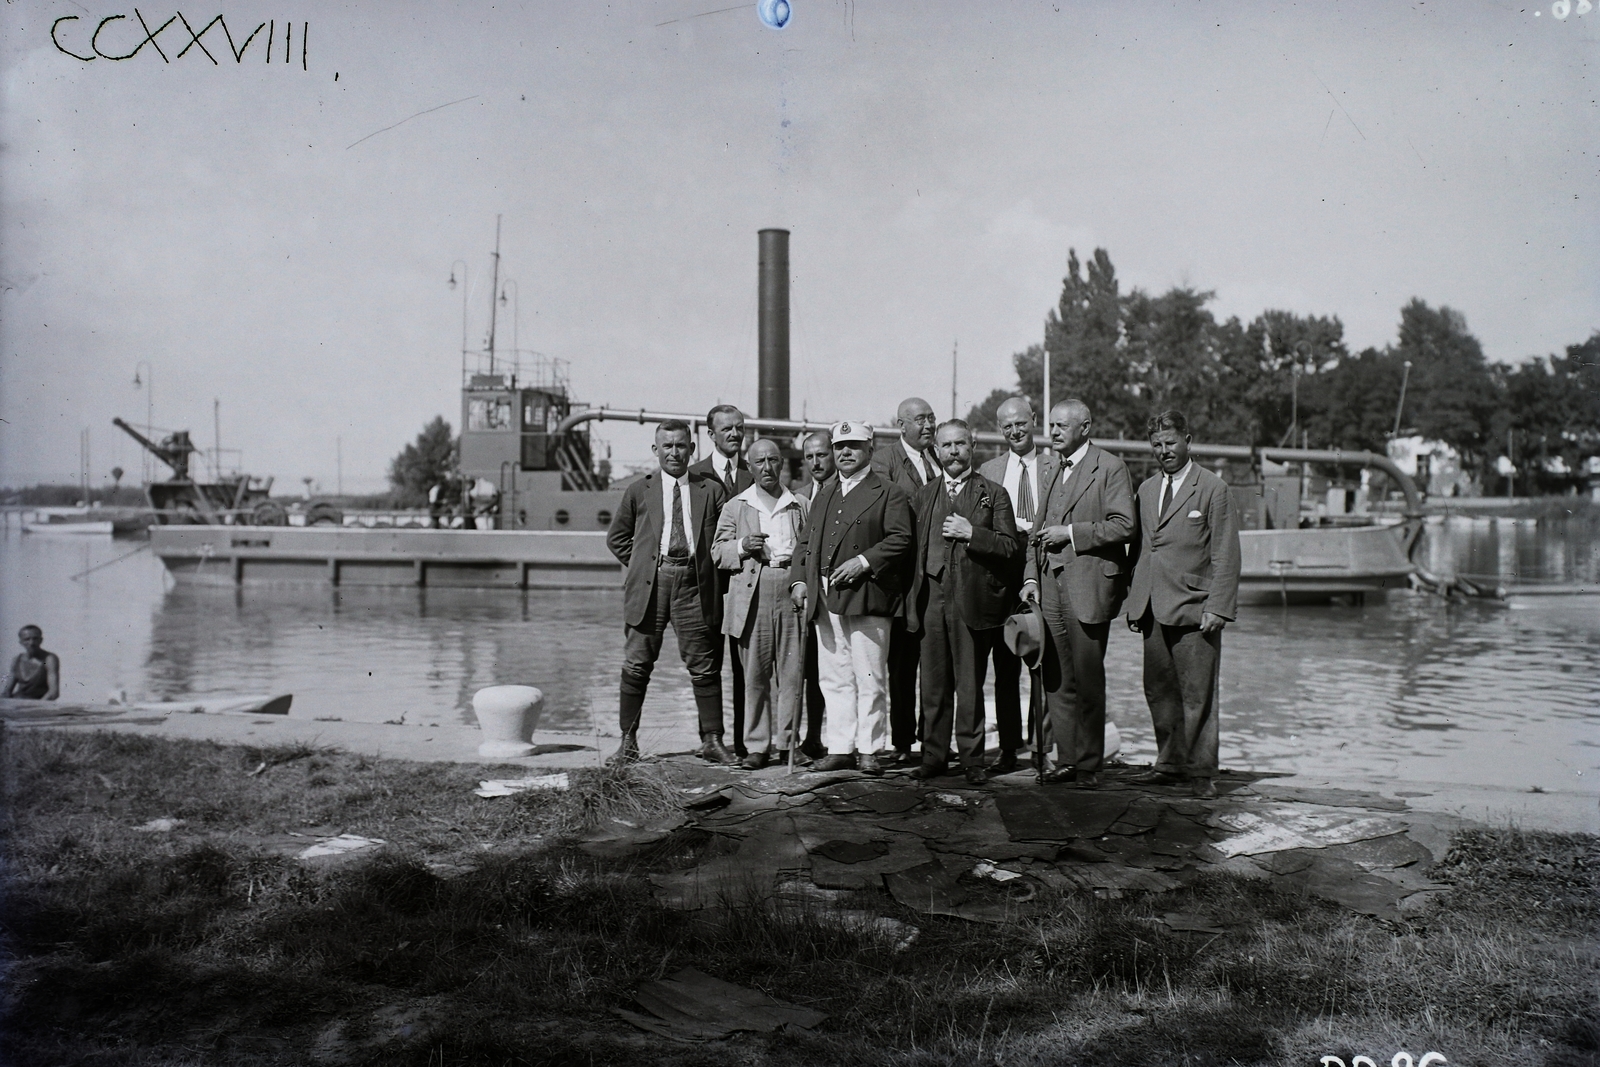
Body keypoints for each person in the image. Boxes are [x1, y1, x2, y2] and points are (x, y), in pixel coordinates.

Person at [1125, 409, 1241, 799]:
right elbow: (1141, 549)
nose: (1164, 451)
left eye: (1170, 443)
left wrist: (1218, 608)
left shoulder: (1213, 488)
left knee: (1199, 694)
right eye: (1156, 445)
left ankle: (1201, 773)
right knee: (1158, 690)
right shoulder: (1145, 490)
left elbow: (1226, 554)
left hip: (1195, 606)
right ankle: (1170, 763)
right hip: (1152, 606)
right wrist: (1134, 601)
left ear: (1188, 441)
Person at [1021, 399, 1135, 788]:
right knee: (1056, 677)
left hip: (1088, 586)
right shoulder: (1053, 469)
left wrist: (1070, 534)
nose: (1052, 433)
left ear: (1084, 427)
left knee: (1087, 678)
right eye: (1050, 425)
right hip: (1050, 586)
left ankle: (1088, 765)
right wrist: (1031, 579)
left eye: (1060, 426)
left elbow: (1124, 526)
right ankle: (1066, 759)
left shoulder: (1111, 467)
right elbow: (1037, 532)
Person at [606, 419, 733, 764]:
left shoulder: (711, 490)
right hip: (652, 584)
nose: (674, 452)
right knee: (637, 664)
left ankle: (712, 740)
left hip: (695, 585)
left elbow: (722, 540)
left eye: (681, 446)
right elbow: (617, 538)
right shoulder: (638, 490)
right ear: (655, 450)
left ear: (692, 449)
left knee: (704, 665)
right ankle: (628, 742)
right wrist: (643, 565)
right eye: (667, 446)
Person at [791, 421, 914, 776]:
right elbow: (806, 544)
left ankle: (871, 748)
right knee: (834, 676)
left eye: (854, 446)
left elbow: (900, 539)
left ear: (870, 450)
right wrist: (799, 581)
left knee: (870, 675)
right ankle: (841, 746)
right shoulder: (825, 494)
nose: (845, 453)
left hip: (868, 592)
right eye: (840, 446)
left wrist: (863, 562)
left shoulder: (888, 492)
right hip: (825, 593)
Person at [907, 421, 1021, 784]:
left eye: (960, 444)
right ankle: (934, 756)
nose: (953, 452)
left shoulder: (994, 493)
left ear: (973, 446)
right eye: (946, 446)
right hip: (932, 599)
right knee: (933, 684)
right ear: (936, 451)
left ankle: (972, 759)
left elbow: (1009, 546)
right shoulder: (924, 495)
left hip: (972, 598)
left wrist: (973, 534)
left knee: (969, 683)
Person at [713, 439, 809, 770]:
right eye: (759, 462)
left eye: (772, 460)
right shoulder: (736, 506)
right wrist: (741, 546)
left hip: (790, 589)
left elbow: (809, 551)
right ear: (749, 467)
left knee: (792, 674)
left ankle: (788, 744)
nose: (767, 467)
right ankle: (757, 746)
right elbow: (717, 551)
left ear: (781, 464)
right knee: (754, 673)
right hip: (751, 590)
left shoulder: (800, 504)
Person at [978, 395, 1058, 773]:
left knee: (1043, 662)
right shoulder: (990, 470)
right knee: (1006, 661)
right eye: (1007, 426)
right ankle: (1009, 749)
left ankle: (1044, 750)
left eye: (1021, 424)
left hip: (1044, 568)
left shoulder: (1055, 466)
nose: (1014, 431)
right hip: (1004, 573)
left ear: (1034, 421)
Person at [870, 396, 939, 763]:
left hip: (935, 577)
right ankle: (901, 743)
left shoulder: (938, 458)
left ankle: (931, 739)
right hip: (901, 580)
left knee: (933, 660)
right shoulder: (884, 461)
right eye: (920, 420)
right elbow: (888, 516)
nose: (928, 426)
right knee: (901, 664)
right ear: (901, 425)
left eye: (931, 419)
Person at [690, 404, 756, 756]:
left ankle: (747, 742)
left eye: (740, 428)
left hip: (745, 583)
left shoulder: (754, 474)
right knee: (707, 661)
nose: (734, 434)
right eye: (727, 428)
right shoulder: (693, 475)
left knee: (747, 665)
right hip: (704, 585)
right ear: (710, 434)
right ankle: (711, 738)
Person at [794, 430, 836, 759]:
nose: (816, 462)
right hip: (809, 596)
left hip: (838, 593)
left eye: (821, 455)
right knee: (810, 670)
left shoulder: (845, 491)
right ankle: (811, 736)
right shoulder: (799, 498)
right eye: (809, 457)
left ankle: (841, 739)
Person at [4, 625, 60, 700]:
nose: (31, 643)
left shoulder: (49, 659)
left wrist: (35, 708)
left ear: (41, 640)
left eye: (35, 639)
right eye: (27, 639)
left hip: (39, 704)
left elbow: (53, 693)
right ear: (21, 642)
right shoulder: (16, 660)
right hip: (17, 703)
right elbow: (7, 691)